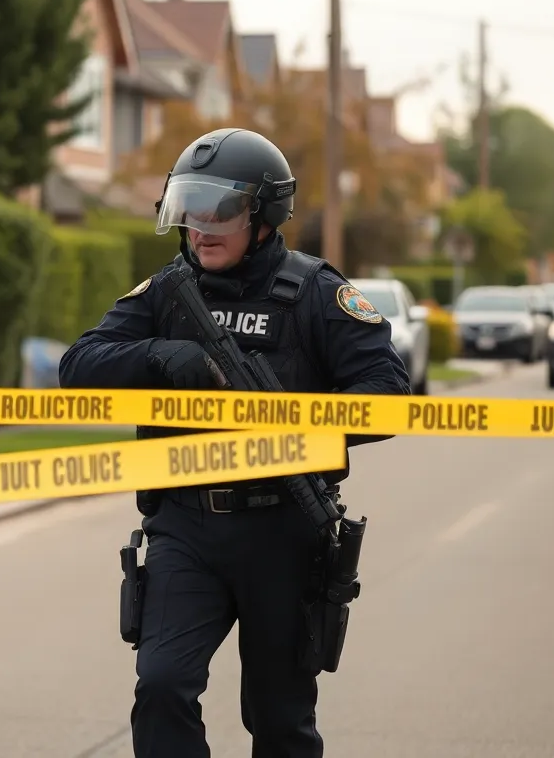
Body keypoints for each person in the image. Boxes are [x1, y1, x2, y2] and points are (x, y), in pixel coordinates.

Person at [58, 128, 411, 758]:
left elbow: (388, 394)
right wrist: (159, 355)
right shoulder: (168, 292)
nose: (200, 227)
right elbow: (78, 364)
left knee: (279, 722)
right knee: (162, 687)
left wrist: (292, 426)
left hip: (282, 530)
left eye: (218, 208)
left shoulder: (318, 294)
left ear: (264, 214)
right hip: (186, 525)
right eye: (189, 207)